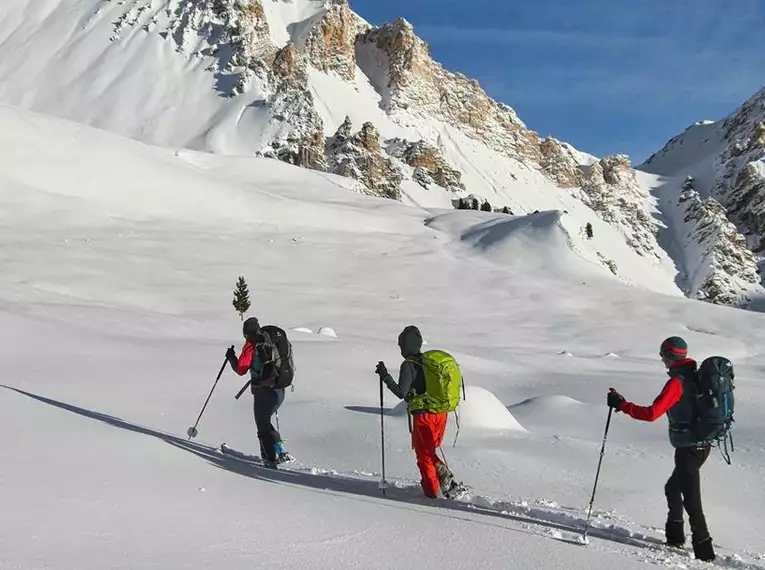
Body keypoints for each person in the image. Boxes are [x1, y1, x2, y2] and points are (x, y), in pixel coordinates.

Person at [607, 336, 715, 562]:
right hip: (702, 445)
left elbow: (651, 414)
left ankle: (705, 552)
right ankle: (675, 537)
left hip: (688, 447)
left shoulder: (678, 382)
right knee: (672, 488)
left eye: (663, 356)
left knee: (692, 500)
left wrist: (622, 405)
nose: (662, 360)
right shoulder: (694, 376)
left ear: (670, 356)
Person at [375, 325, 462, 499]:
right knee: (429, 452)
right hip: (441, 413)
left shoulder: (408, 365)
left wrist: (385, 376)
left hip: (424, 416)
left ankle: (433, 494)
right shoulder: (429, 361)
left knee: (424, 456)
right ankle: (444, 481)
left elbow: (401, 392)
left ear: (404, 346)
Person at [227, 317, 292, 469]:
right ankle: (279, 451)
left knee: (262, 426)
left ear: (246, 333)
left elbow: (241, 369)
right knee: (265, 422)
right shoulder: (270, 340)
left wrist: (231, 358)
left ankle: (269, 461)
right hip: (280, 388)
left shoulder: (252, 344)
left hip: (264, 391)